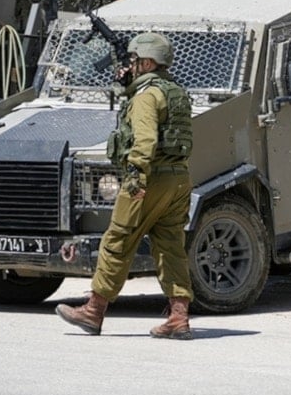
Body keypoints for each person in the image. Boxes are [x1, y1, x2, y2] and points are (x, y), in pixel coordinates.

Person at [56, 32, 196, 340]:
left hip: (149, 178)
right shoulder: (174, 91)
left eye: (134, 61)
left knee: (117, 240)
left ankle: (93, 310)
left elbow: (145, 140)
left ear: (147, 62)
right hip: (178, 180)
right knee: (171, 247)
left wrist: (135, 176)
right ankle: (178, 317)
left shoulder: (146, 97)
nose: (130, 66)